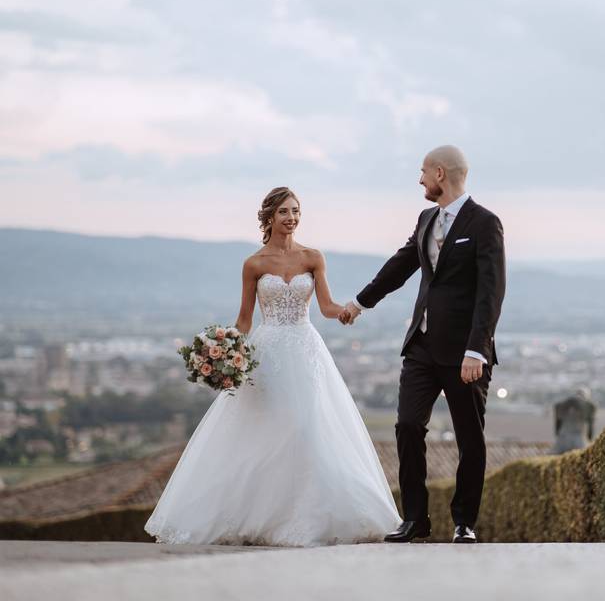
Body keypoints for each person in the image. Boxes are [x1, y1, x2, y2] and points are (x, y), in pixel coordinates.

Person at [144, 187, 401, 546]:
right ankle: (258, 516)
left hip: (305, 349)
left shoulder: (313, 257)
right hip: (266, 353)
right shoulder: (254, 264)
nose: (292, 217)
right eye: (284, 211)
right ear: (269, 217)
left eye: (296, 211)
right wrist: (221, 347)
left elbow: (325, 306)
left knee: (307, 427)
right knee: (266, 430)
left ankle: (308, 517)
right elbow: (245, 320)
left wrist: (345, 310)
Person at [339, 145, 506, 544]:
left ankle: (464, 522)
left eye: (423, 172)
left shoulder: (485, 223)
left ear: (441, 175)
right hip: (421, 346)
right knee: (408, 425)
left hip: (466, 352)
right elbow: (402, 264)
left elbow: (491, 290)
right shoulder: (426, 217)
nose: (419, 180)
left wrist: (477, 349)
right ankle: (415, 519)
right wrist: (361, 302)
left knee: (469, 438)